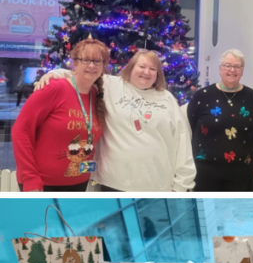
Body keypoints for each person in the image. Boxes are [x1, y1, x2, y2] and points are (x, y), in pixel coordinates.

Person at [34, 50, 196, 192]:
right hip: (114, 182)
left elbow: (181, 140)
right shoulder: (111, 85)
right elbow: (82, 75)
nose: (147, 72)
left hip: (157, 184)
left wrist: (181, 184)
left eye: (152, 69)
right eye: (142, 67)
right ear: (131, 68)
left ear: (157, 74)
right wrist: (54, 74)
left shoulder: (166, 98)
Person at [12, 39, 107, 191]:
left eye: (97, 61)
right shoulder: (53, 89)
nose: (91, 65)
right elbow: (20, 131)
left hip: (79, 182)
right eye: (85, 60)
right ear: (74, 62)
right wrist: (29, 177)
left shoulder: (97, 95)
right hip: (42, 183)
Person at [187, 49, 253, 191]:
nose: (232, 70)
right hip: (205, 172)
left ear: (242, 70)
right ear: (220, 69)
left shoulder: (252, 97)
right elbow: (189, 129)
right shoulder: (202, 96)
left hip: (242, 172)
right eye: (227, 65)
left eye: (237, 66)